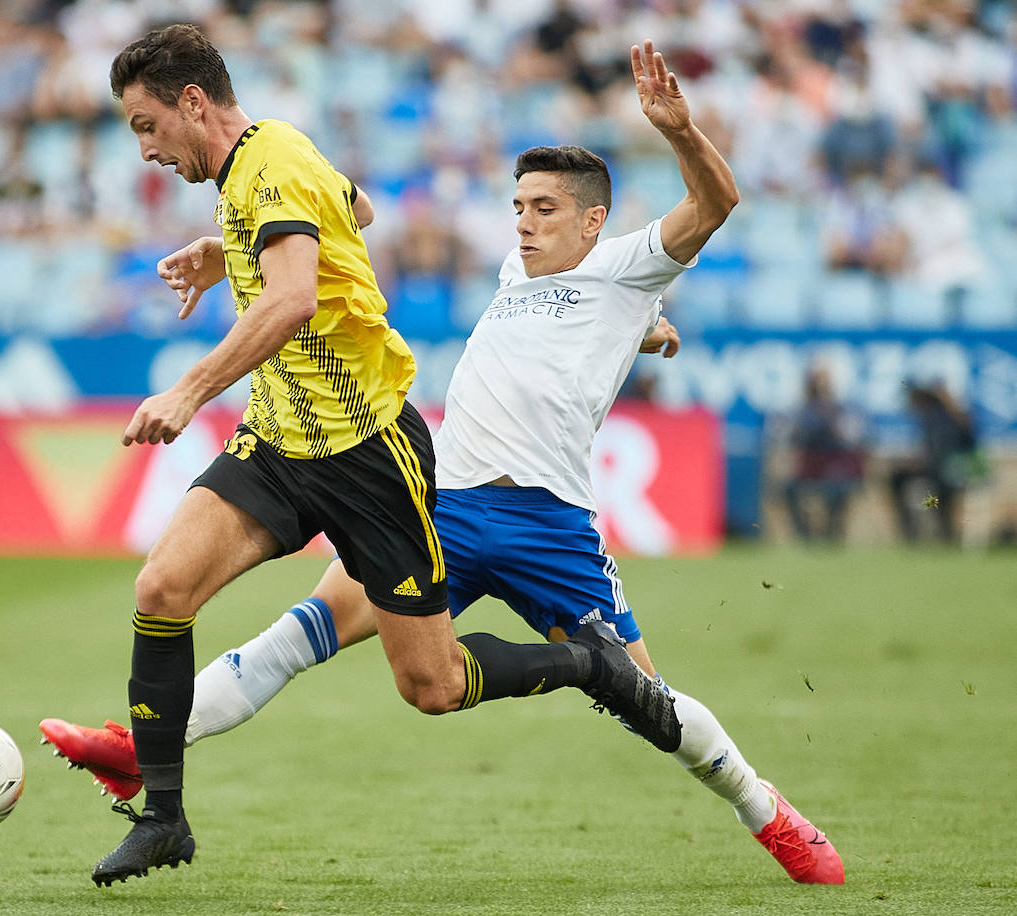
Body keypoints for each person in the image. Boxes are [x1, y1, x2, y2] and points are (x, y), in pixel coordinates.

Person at [45, 38, 845, 887]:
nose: (524, 224)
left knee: (652, 706)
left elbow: (717, 201)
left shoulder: (629, 267)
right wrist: (641, 333)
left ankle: (768, 813)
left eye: (543, 209)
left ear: (592, 221)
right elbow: (375, 236)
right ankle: (142, 747)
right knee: (299, 638)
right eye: (517, 206)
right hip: (446, 505)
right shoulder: (515, 273)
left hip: (550, 524)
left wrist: (680, 138)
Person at [889, 380, 982, 543]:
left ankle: (923, 534)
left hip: (950, 471)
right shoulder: (933, 417)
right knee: (897, 479)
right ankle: (912, 532)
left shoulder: (951, 417)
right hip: (938, 470)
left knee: (933, 488)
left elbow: (958, 447)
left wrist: (916, 464)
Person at [782, 364, 866, 542]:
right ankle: (804, 534)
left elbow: (852, 437)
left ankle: (831, 532)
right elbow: (792, 437)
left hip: (834, 465)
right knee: (788, 490)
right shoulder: (802, 410)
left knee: (839, 490)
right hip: (810, 466)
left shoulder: (841, 409)